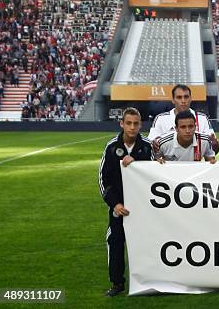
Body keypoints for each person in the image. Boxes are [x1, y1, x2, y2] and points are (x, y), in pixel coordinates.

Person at [98, 107, 153, 297]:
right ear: (121, 124)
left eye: (136, 123)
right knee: (115, 242)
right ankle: (117, 283)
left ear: (140, 125)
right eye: (128, 123)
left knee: (146, 243)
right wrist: (114, 204)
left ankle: (148, 281)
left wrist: (135, 161)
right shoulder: (112, 147)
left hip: (143, 208)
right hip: (119, 207)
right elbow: (104, 180)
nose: (132, 127)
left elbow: (153, 176)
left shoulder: (146, 147)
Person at [148, 84, 219, 153]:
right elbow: (151, 143)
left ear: (191, 99)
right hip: (169, 163)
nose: (183, 101)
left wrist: (215, 145)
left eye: (186, 97)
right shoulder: (161, 119)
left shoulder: (202, 119)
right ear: (173, 100)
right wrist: (153, 143)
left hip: (194, 164)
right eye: (179, 97)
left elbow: (212, 150)